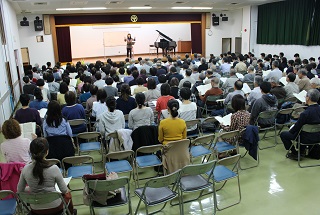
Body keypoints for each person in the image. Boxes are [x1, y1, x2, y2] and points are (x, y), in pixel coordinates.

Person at [17, 138, 75, 214]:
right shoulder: (54, 168)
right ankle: (71, 212)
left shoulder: (25, 169)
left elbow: (19, 191)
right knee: (68, 193)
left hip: (36, 209)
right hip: (55, 207)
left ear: (30, 152)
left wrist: (31, 188)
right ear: (47, 151)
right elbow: (64, 190)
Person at [280, 89, 320, 160]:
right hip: (318, 136)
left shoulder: (305, 113)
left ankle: (294, 152)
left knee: (284, 134)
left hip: (305, 138)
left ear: (308, 98)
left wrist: (291, 131)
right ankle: (303, 151)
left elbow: (296, 128)